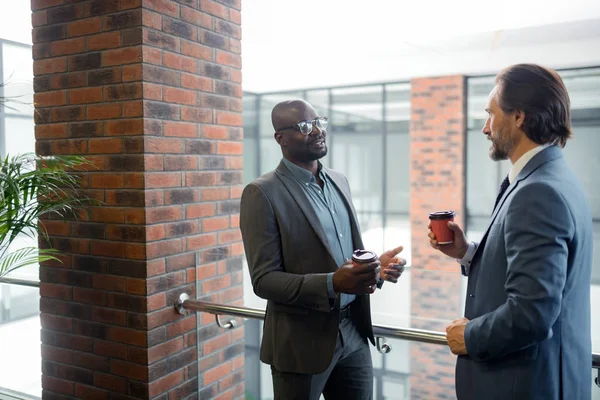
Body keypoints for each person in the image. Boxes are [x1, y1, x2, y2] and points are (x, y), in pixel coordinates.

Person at [429, 63, 593, 400]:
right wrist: (468, 252)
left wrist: (469, 336)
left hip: (524, 384)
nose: (485, 128)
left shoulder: (538, 192)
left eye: (491, 114)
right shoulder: (554, 177)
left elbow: (532, 313)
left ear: (518, 117)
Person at [240, 99, 405, 400]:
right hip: (301, 342)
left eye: (320, 122)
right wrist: (331, 283)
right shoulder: (262, 193)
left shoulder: (339, 181)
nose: (317, 131)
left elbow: (347, 258)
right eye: (305, 126)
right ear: (281, 138)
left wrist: (375, 270)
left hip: (354, 333)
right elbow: (263, 280)